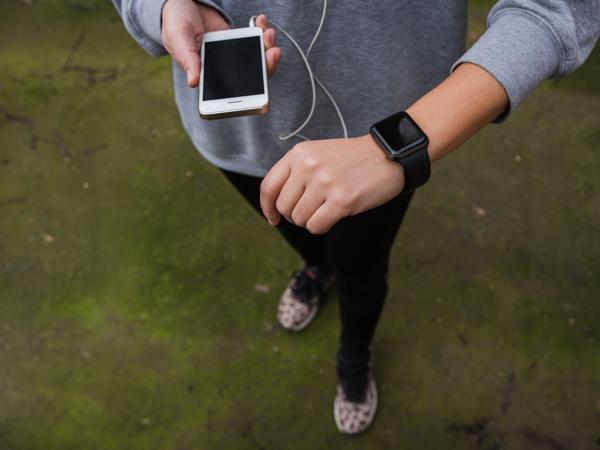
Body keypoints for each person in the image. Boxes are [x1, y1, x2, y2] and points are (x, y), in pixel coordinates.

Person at [112, 0, 599, 434]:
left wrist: (399, 147)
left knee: (361, 270)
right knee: (304, 236)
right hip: (235, 131)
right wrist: (161, 6)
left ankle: (354, 351)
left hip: (380, 139)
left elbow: (561, 8)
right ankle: (316, 268)